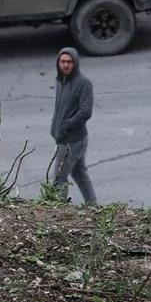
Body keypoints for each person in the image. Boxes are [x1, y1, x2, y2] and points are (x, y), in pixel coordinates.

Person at [49, 47, 97, 205]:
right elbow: (60, 108)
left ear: (75, 63)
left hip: (72, 140)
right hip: (64, 137)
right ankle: (92, 205)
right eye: (63, 61)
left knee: (59, 178)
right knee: (79, 173)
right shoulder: (61, 81)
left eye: (69, 62)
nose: (66, 65)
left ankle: (59, 209)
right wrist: (55, 126)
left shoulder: (83, 84)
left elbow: (85, 111)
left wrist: (66, 126)